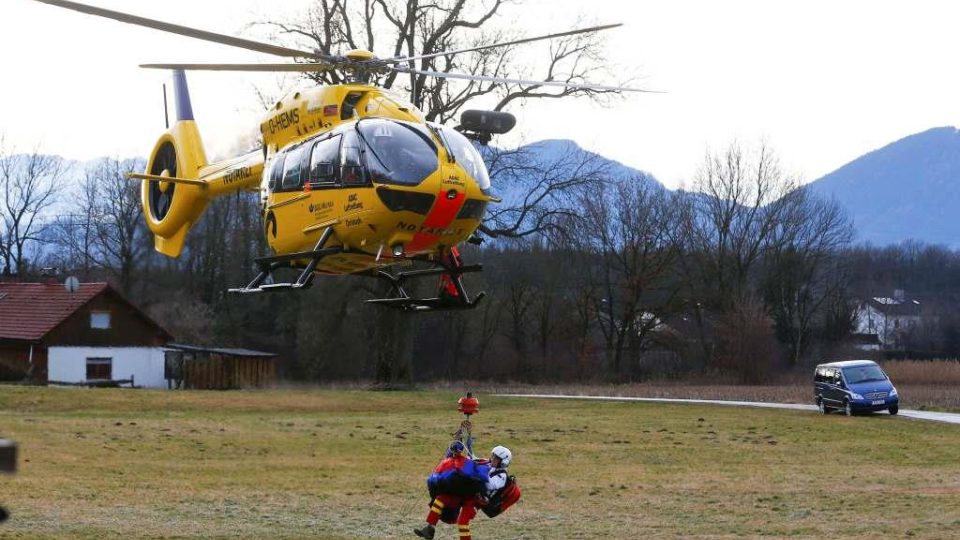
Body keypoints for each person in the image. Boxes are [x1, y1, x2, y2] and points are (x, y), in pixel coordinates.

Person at [414, 444, 513, 540]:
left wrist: (479, 471)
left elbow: (490, 485)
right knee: (441, 498)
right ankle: (430, 528)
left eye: (496, 458)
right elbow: (472, 460)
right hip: (467, 492)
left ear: (503, 462)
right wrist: (459, 452)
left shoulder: (502, 476)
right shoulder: (487, 463)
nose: (492, 459)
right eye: (493, 456)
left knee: (462, 521)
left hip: (476, 501)